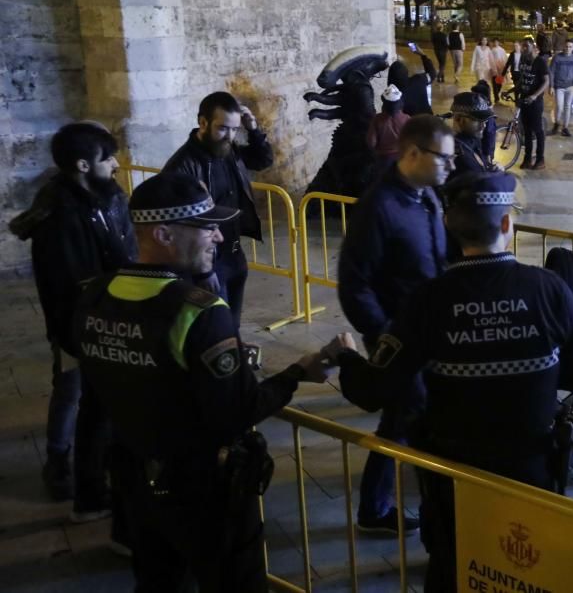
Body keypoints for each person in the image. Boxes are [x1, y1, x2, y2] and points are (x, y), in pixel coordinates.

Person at [71, 171, 338, 590]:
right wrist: (297, 373)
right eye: (205, 227)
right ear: (162, 233)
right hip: (203, 489)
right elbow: (236, 411)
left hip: (134, 479)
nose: (217, 237)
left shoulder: (95, 295)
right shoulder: (197, 311)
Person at [334, 171, 573, 593]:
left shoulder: (427, 300)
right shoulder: (549, 289)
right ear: (507, 226)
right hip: (528, 474)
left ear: (451, 231)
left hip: (452, 480)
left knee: (454, 570)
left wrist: (345, 356)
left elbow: (373, 389)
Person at [9, 123, 137, 514]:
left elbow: (123, 244)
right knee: (72, 390)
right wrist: (81, 331)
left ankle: (93, 465)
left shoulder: (108, 195)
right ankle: (60, 461)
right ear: (83, 165)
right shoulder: (60, 216)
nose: (117, 164)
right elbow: (69, 283)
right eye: (108, 158)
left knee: (97, 399)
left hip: (111, 314)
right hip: (80, 324)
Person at [338, 115, 453, 535]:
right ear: (413, 153)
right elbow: (355, 284)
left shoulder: (425, 197)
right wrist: (386, 335)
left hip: (428, 331)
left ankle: (400, 499)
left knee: (408, 414)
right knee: (404, 415)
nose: (449, 168)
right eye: (443, 159)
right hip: (399, 337)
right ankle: (375, 508)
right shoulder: (379, 207)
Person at [163, 92, 273, 329]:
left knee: (232, 326)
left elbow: (263, 160)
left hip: (234, 253)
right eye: (223, 128)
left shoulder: (228, 150)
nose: (230, 136)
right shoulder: (183, 166)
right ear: (202, 122)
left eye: (234, 129)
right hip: (208, 262)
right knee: (215, 328)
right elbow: (181, 225)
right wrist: (203, 270)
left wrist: (253, 130)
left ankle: (234, 361)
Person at [517, 38, 551, 171]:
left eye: (526, 46)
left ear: (533, 46)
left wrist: (535, 95)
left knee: (537, 130)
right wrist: (514, 90)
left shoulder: (540, 62)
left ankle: (540, 158)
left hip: (535, 102)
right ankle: (527, 158)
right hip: (524, 99)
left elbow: (546, 81)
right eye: (522, 46)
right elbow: (522, 78)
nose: (524, 49)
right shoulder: (523, 60)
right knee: (526, 131)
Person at [449, 91, 497, 178]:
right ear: (458, 119)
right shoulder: (458, 155)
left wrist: (491, 168)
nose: (484, 125)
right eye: (478, 120)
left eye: (485, 121)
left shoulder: (472, 140)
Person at [366, 84, 410, 175]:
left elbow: (371, 143)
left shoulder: (377, 119)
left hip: (383, 160)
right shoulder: (407, 119)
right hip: (404, 159)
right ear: (400, 102)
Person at [387, 46, 436, 117]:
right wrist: (423, 55)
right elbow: (432, 74)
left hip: (410, 125)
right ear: (406, 72)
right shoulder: (419, 80)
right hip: (427, 120)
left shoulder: (393, 94)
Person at [549, 40, 573, 137]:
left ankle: (565, 127)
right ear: (563, 47)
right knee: (560, 107)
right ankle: (557, 124)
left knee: (567, 107)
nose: (568, 48)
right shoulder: (557, 58)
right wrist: (551, 86)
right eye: (566, 46)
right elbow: (551, 72)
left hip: (570, 86)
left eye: (570, 47)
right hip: (559, 87)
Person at [488, 38, 507, 104]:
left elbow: (504, 58)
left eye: (497, 42)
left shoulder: (502, 50)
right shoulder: (492, 50)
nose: (495, 43)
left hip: (501, 68)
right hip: (494, 67)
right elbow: (490, 59)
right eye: (494, 42)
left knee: (499, 83)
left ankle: (496, 93)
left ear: (498, 42)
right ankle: (496, 97)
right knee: (494, 82)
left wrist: (505, 67)